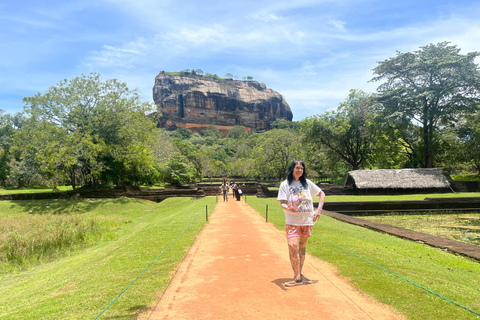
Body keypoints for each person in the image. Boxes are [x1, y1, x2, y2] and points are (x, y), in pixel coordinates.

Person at [277, 160, 325, 287]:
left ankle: (298, 275)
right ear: (292, 169)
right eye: (297, 168)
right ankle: (296, 275)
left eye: (302, 168)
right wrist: (287, 207)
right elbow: (281, 202)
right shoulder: (285, 184)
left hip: (307, 221)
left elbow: (321, 194)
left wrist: (318, 210)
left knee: (302, 248)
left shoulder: (307, 183)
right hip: (293, 221)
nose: (299, 170)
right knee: (293, 246)